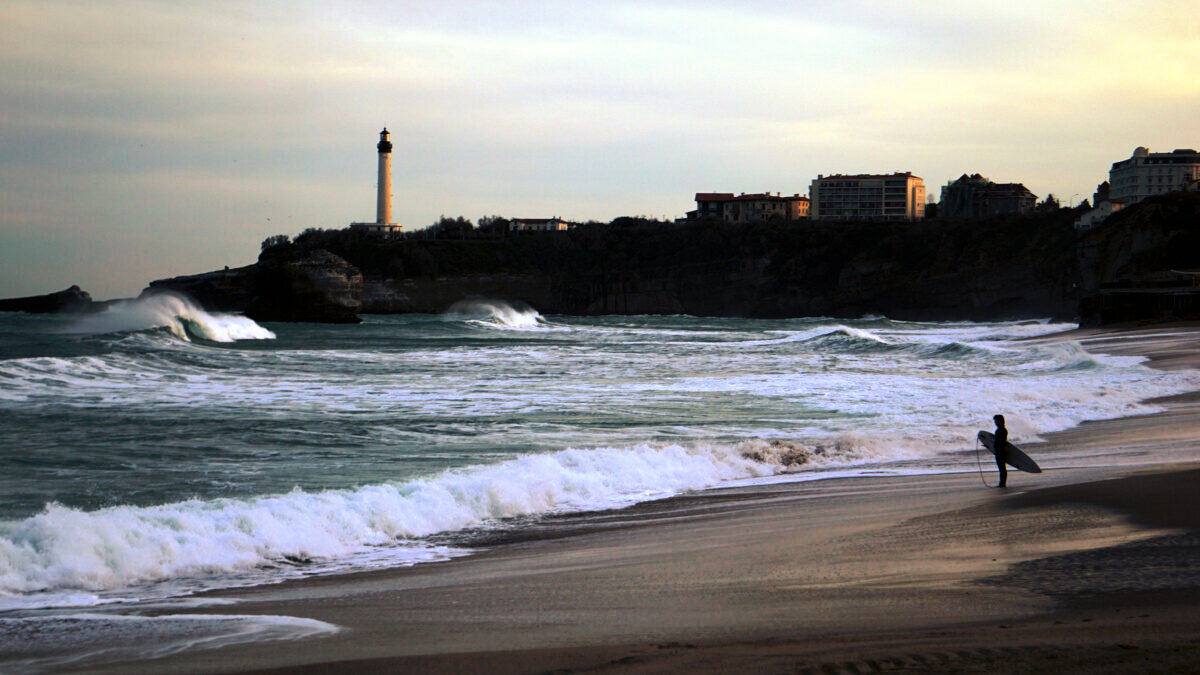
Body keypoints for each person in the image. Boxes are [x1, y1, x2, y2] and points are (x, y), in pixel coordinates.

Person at [993, 414, 1009, 488]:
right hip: (1001, 451)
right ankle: (1002, 483)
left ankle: (1002, 483)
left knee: (1002, 468)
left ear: (1000, 421)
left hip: (1000, 451)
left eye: (996, 421)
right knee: (1002, 468)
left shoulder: (1000, 430)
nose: (995, 422)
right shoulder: (1003, 430)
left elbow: (1000, 442)